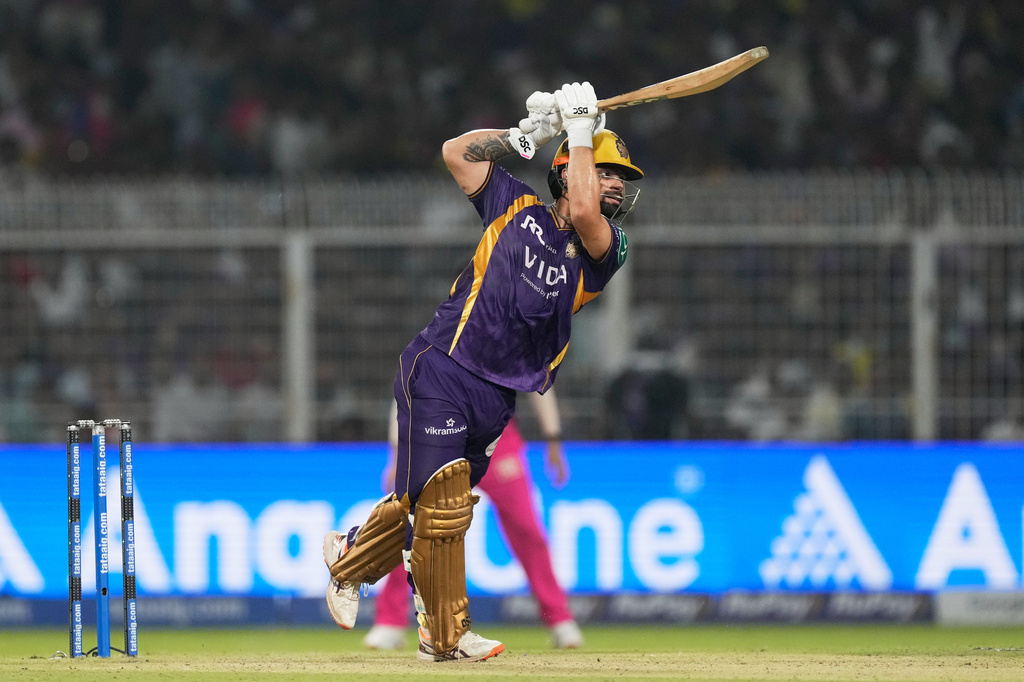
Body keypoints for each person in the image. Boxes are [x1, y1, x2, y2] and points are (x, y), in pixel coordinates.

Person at [322, 81, 643, 662]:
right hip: (443, 364)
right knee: (440, 504)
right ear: (568, 171)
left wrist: (579, 131)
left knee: (437, 510)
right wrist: (526, 135)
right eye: (608, 172)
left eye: (622, 177)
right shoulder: (514, 205)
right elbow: (456, 152)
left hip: (499, 394)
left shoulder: (607, 249)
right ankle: (444, 636)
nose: (618, 184)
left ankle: (351, 557)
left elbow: (585, 210)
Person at [364, 389, 584, 651]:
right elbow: (408, 391)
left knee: (526, 530)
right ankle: (389, 623)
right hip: (441, 436)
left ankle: (560, 619)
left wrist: (553, 438)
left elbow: (541, 383)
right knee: (414, 526)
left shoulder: (510, 358)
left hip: (496, 438)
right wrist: (397, 453)